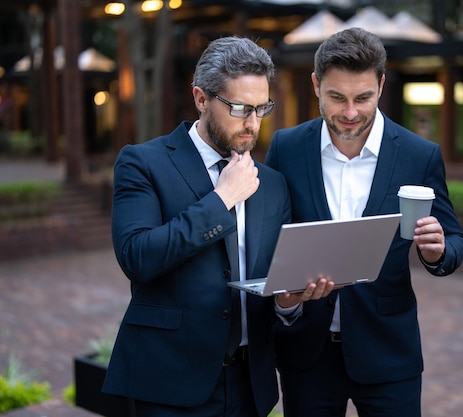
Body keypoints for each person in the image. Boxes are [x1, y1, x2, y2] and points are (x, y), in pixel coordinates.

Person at [102, 36, 329, 417]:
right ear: (201, 98)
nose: (253, 123)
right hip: (170, 383)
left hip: (250, 385)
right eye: (240, 108)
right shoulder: (142, 163)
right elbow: (137, 257)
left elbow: (273, 278)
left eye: (262, 109)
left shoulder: (271, 183)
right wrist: (221, 200)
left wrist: (288, 302)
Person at [265, 27, 463, 417]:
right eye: (337, 97)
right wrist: (285, 302)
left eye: (363, 98)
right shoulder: (286, 148)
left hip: (389, 351)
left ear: (382, 84)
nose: (350, 112)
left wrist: (438, 250)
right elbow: (267, 238)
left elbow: (454, 240)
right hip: (307, 353)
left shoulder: (418, 154)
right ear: (315, 85)